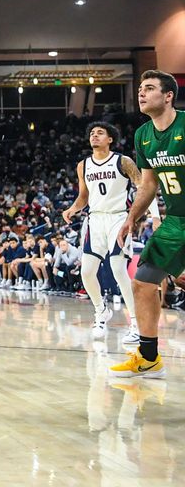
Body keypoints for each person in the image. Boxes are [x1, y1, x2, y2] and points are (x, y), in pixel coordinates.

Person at [112, 70, 185, 379]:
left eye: (150, 88)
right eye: (140, 89)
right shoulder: (143, 135)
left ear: (168, 96)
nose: (142, 93)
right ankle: (149, 357)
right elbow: (148, 185)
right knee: (142, 282)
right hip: (175, 222)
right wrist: (131, 218)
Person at [62, 122, 141, 344]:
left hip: (118, 217)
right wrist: (71, 209)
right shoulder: (83, 165)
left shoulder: (123, 161)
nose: (94, 136)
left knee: (118, 269)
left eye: (100, 133)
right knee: (86, 272)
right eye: (92, 133)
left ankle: (135, 322)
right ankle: (101, 311)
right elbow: (84, 196)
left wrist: (138, 216)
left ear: (110, 139)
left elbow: (141, 186)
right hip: (95, 219)